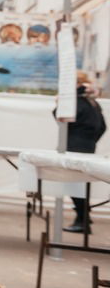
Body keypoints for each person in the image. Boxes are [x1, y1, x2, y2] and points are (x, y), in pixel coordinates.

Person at [54, 71, 106, 234]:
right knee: (80, 184)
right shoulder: (92, 104)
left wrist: (60, 102)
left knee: (73, 184)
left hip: (74, 146)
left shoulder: (75, 102)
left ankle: (82, 219)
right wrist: (91, 141)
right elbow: (102, 127)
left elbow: (60, 117)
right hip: (87, 147)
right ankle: (83, 217)